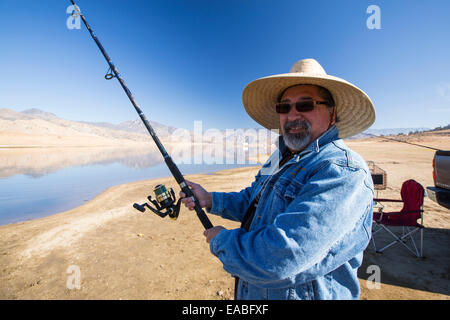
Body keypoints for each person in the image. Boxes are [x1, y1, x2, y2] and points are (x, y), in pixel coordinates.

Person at [180, 58, 376, 300]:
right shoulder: (279, 157)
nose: (292, 115)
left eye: (305, 105)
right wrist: (209, 199)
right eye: (284, 107)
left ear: (332, 114)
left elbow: (283, 255)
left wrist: (223, 240)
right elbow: (252, 202)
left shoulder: (342, 170)